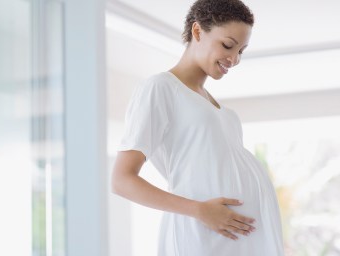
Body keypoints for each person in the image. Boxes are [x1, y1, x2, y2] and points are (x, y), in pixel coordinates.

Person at [111, 0, 284, 255]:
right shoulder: (161, 88)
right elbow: (121, 180)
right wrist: (200, 210)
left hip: (235, 237)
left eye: (241, 51)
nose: (234, 59)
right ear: (197, 31)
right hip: (202, 233)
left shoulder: (215, 105)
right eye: (227, 45)